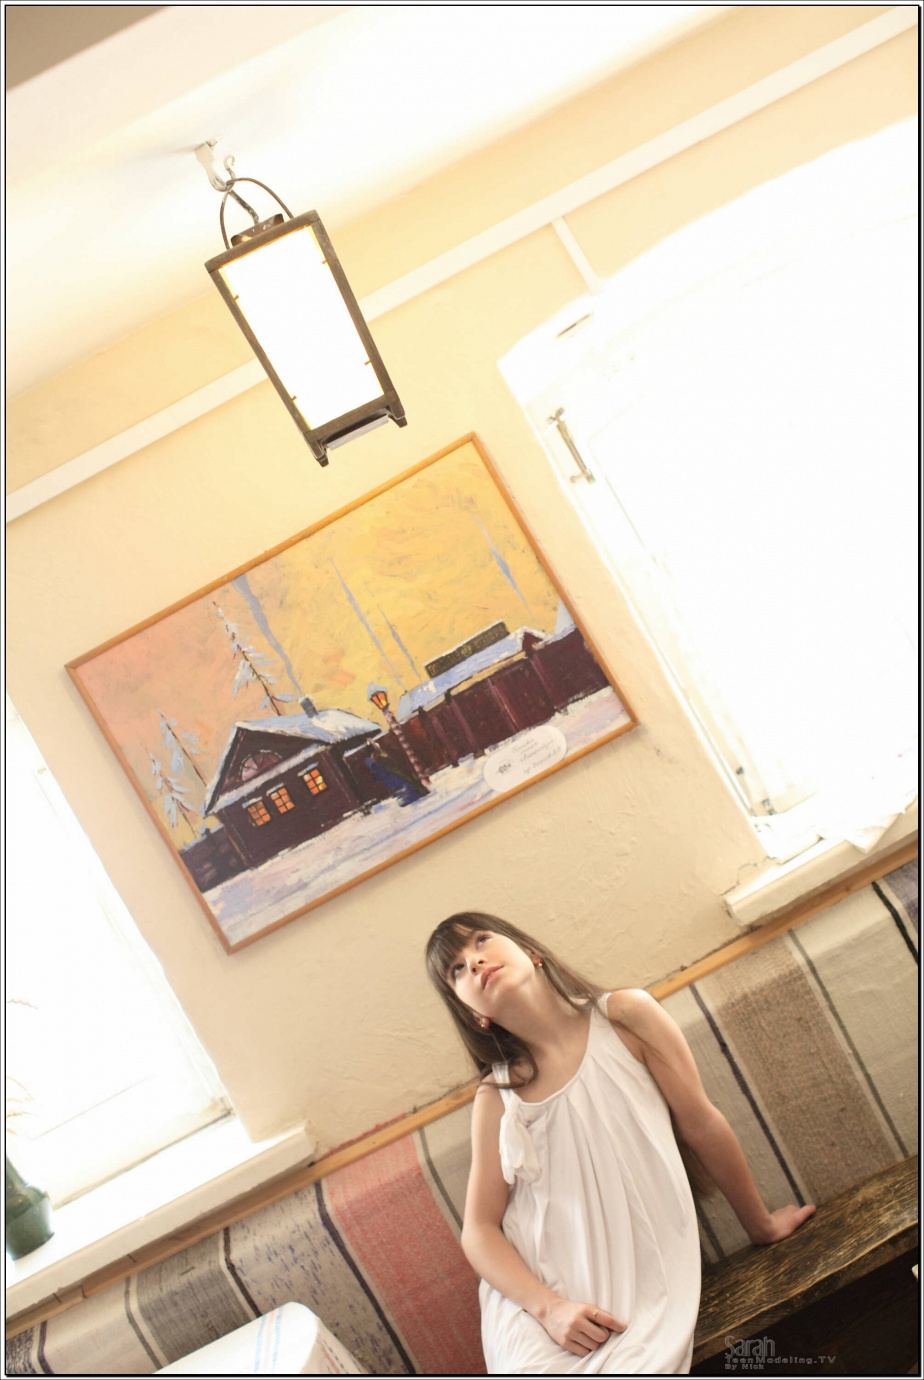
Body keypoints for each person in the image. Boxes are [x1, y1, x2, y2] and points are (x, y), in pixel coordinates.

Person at [425, 912, 816, 1375]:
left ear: (531, 952)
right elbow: (479, 1230)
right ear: (474, 1014)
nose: (473, 962)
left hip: (639, 1284)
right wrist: (548, 1309)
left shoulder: (626, 1017)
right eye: (456, 969)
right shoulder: (497, 1097)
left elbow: (701, 1124)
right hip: (536, 1305)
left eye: (481, 941)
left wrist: (761, 1225)